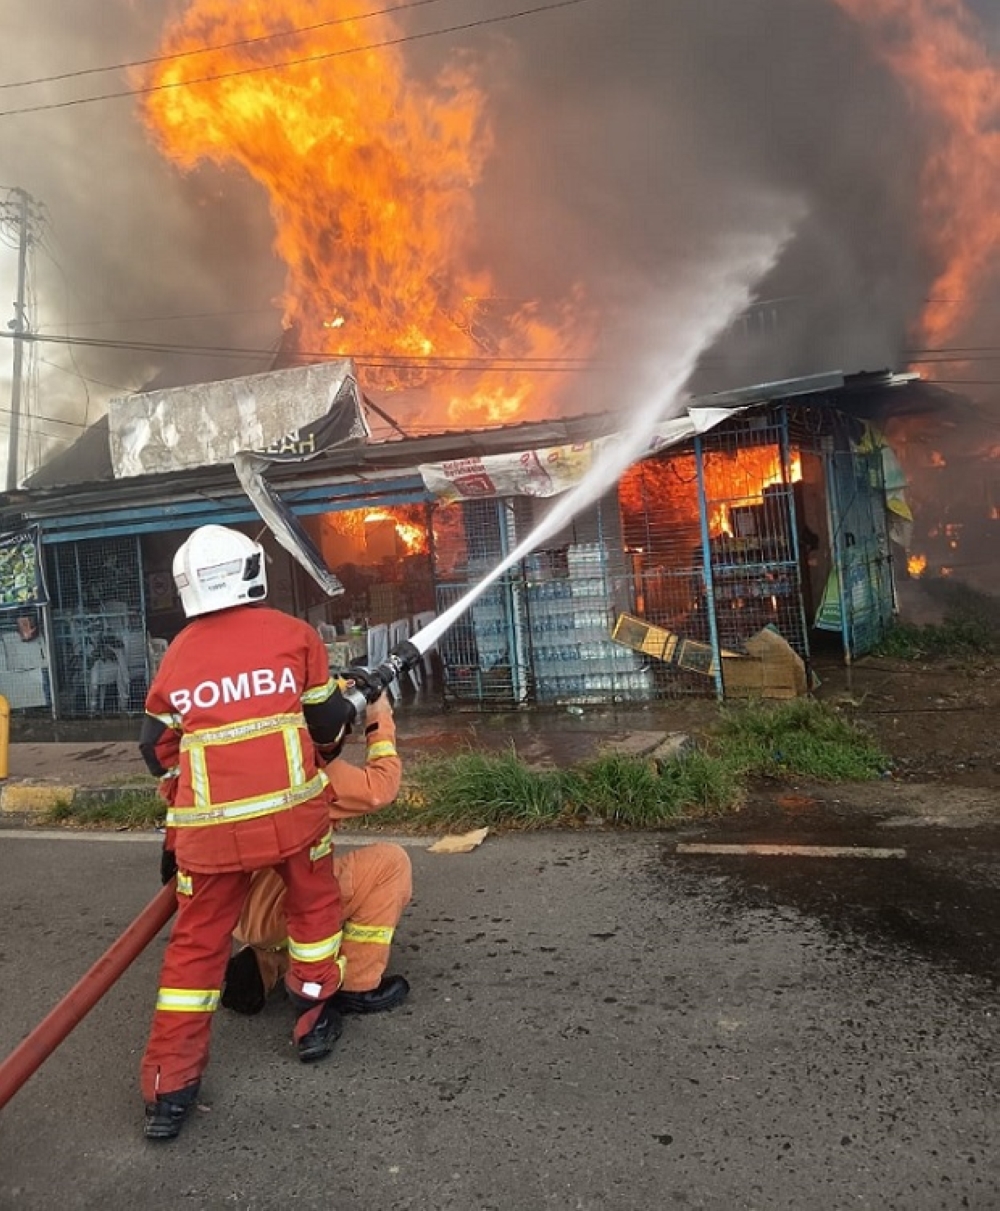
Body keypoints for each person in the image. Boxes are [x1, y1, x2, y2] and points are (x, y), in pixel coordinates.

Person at [137, 524, 358, 1143]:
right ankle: (313, 1016)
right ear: (250, 571)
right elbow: (326, 727)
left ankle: (169, 1089)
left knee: (195, 952)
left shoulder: (177, 653)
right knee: (314, 909)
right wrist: (347, 721)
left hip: (209, 841)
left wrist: (193, 780)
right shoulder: (295, 635)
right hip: (295, 823)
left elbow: (155, 751)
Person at [220, 691, 412, 1018]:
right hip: (286, 910)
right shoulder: (308, 767)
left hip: (230, 911)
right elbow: (382, 788)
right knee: (390, 864)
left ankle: (266, 961)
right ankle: (358, 985)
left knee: (277, 874)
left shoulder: (226, 759)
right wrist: (378, 713)